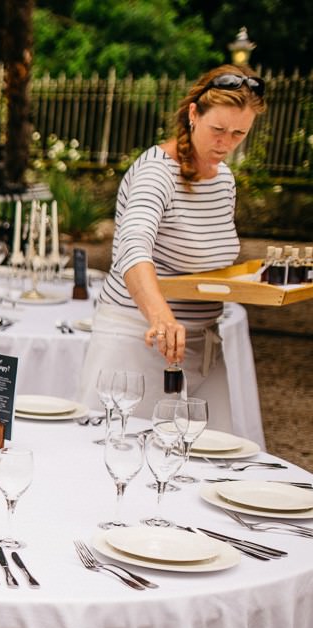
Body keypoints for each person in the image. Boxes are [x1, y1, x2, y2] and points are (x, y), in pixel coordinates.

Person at [78, 65, 266, 431]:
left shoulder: (224, 180)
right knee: (122, 457)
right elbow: (132, 247)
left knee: (213, 463)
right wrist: (161, 318)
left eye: (239, 133)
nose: (226, 143)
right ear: (194, 114)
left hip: (204, 346)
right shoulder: (156, 172)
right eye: (218, 130)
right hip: (138, 342)